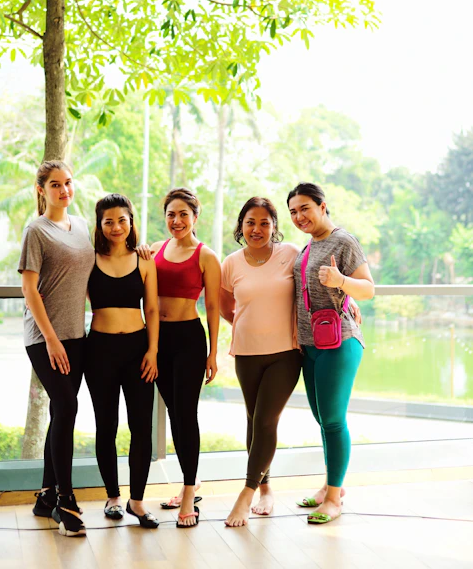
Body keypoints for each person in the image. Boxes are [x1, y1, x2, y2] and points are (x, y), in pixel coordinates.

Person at [288, 182, 374, 525]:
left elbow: (367, 288)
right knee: (323, 419)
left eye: (305, 208)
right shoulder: (309, 246)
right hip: (310, 345)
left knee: (334, 420)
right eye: (293, 211)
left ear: (323, 206)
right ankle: (328, 486)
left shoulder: (344, 241)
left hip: (340, 343)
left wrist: (341, 282)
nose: (299, 216)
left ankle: (335, 497)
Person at [19, 160, 95, 538]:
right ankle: (65, 500)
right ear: (41, 190)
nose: (64, 190)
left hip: (77, 336)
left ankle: (45, 497)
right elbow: (29, 289)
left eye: (68, 183)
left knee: (61, 413)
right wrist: (50, 338)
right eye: (55, 184)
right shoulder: (36, 230)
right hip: (44, 337)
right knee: (67, 406)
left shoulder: (81, 226)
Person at [137, 188, 220, 527]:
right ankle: (194, 479)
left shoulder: (206, 256)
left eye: (183, 214)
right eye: (171, 214)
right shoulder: (154, 249)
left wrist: (214, 351)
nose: (177, 220)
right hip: (157, 340)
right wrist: (141, 249)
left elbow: (213, 306)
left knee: (185, 414)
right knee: (173, 412)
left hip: (188, 339)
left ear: (195, 217)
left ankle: (189, 491)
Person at [220, 197, 302, 528]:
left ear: (274, 227)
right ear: (241, 226)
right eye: (250, 222)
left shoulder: (291, 254)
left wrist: (347, 301)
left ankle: (247, 492)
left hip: (285, 353)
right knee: (254, 419)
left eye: (265, 223)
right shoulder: (231, 263)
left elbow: (312, 289)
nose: (257, 229)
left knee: (267, 420)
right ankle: (266, 487)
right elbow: (226, 306)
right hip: (246, 353)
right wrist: (247, 325)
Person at [85, 193, 160, 529]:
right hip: (99, 350)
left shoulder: (145, 260)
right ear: (100, 225)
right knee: (107, 426)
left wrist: (152, 351)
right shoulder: (88, 259)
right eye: (109, 221)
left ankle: (137, 501)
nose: (116, 227)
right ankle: (113, 496)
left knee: (141, 427)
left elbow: (153, 310)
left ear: (131, 221)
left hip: (137, 350)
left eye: (122, 220)